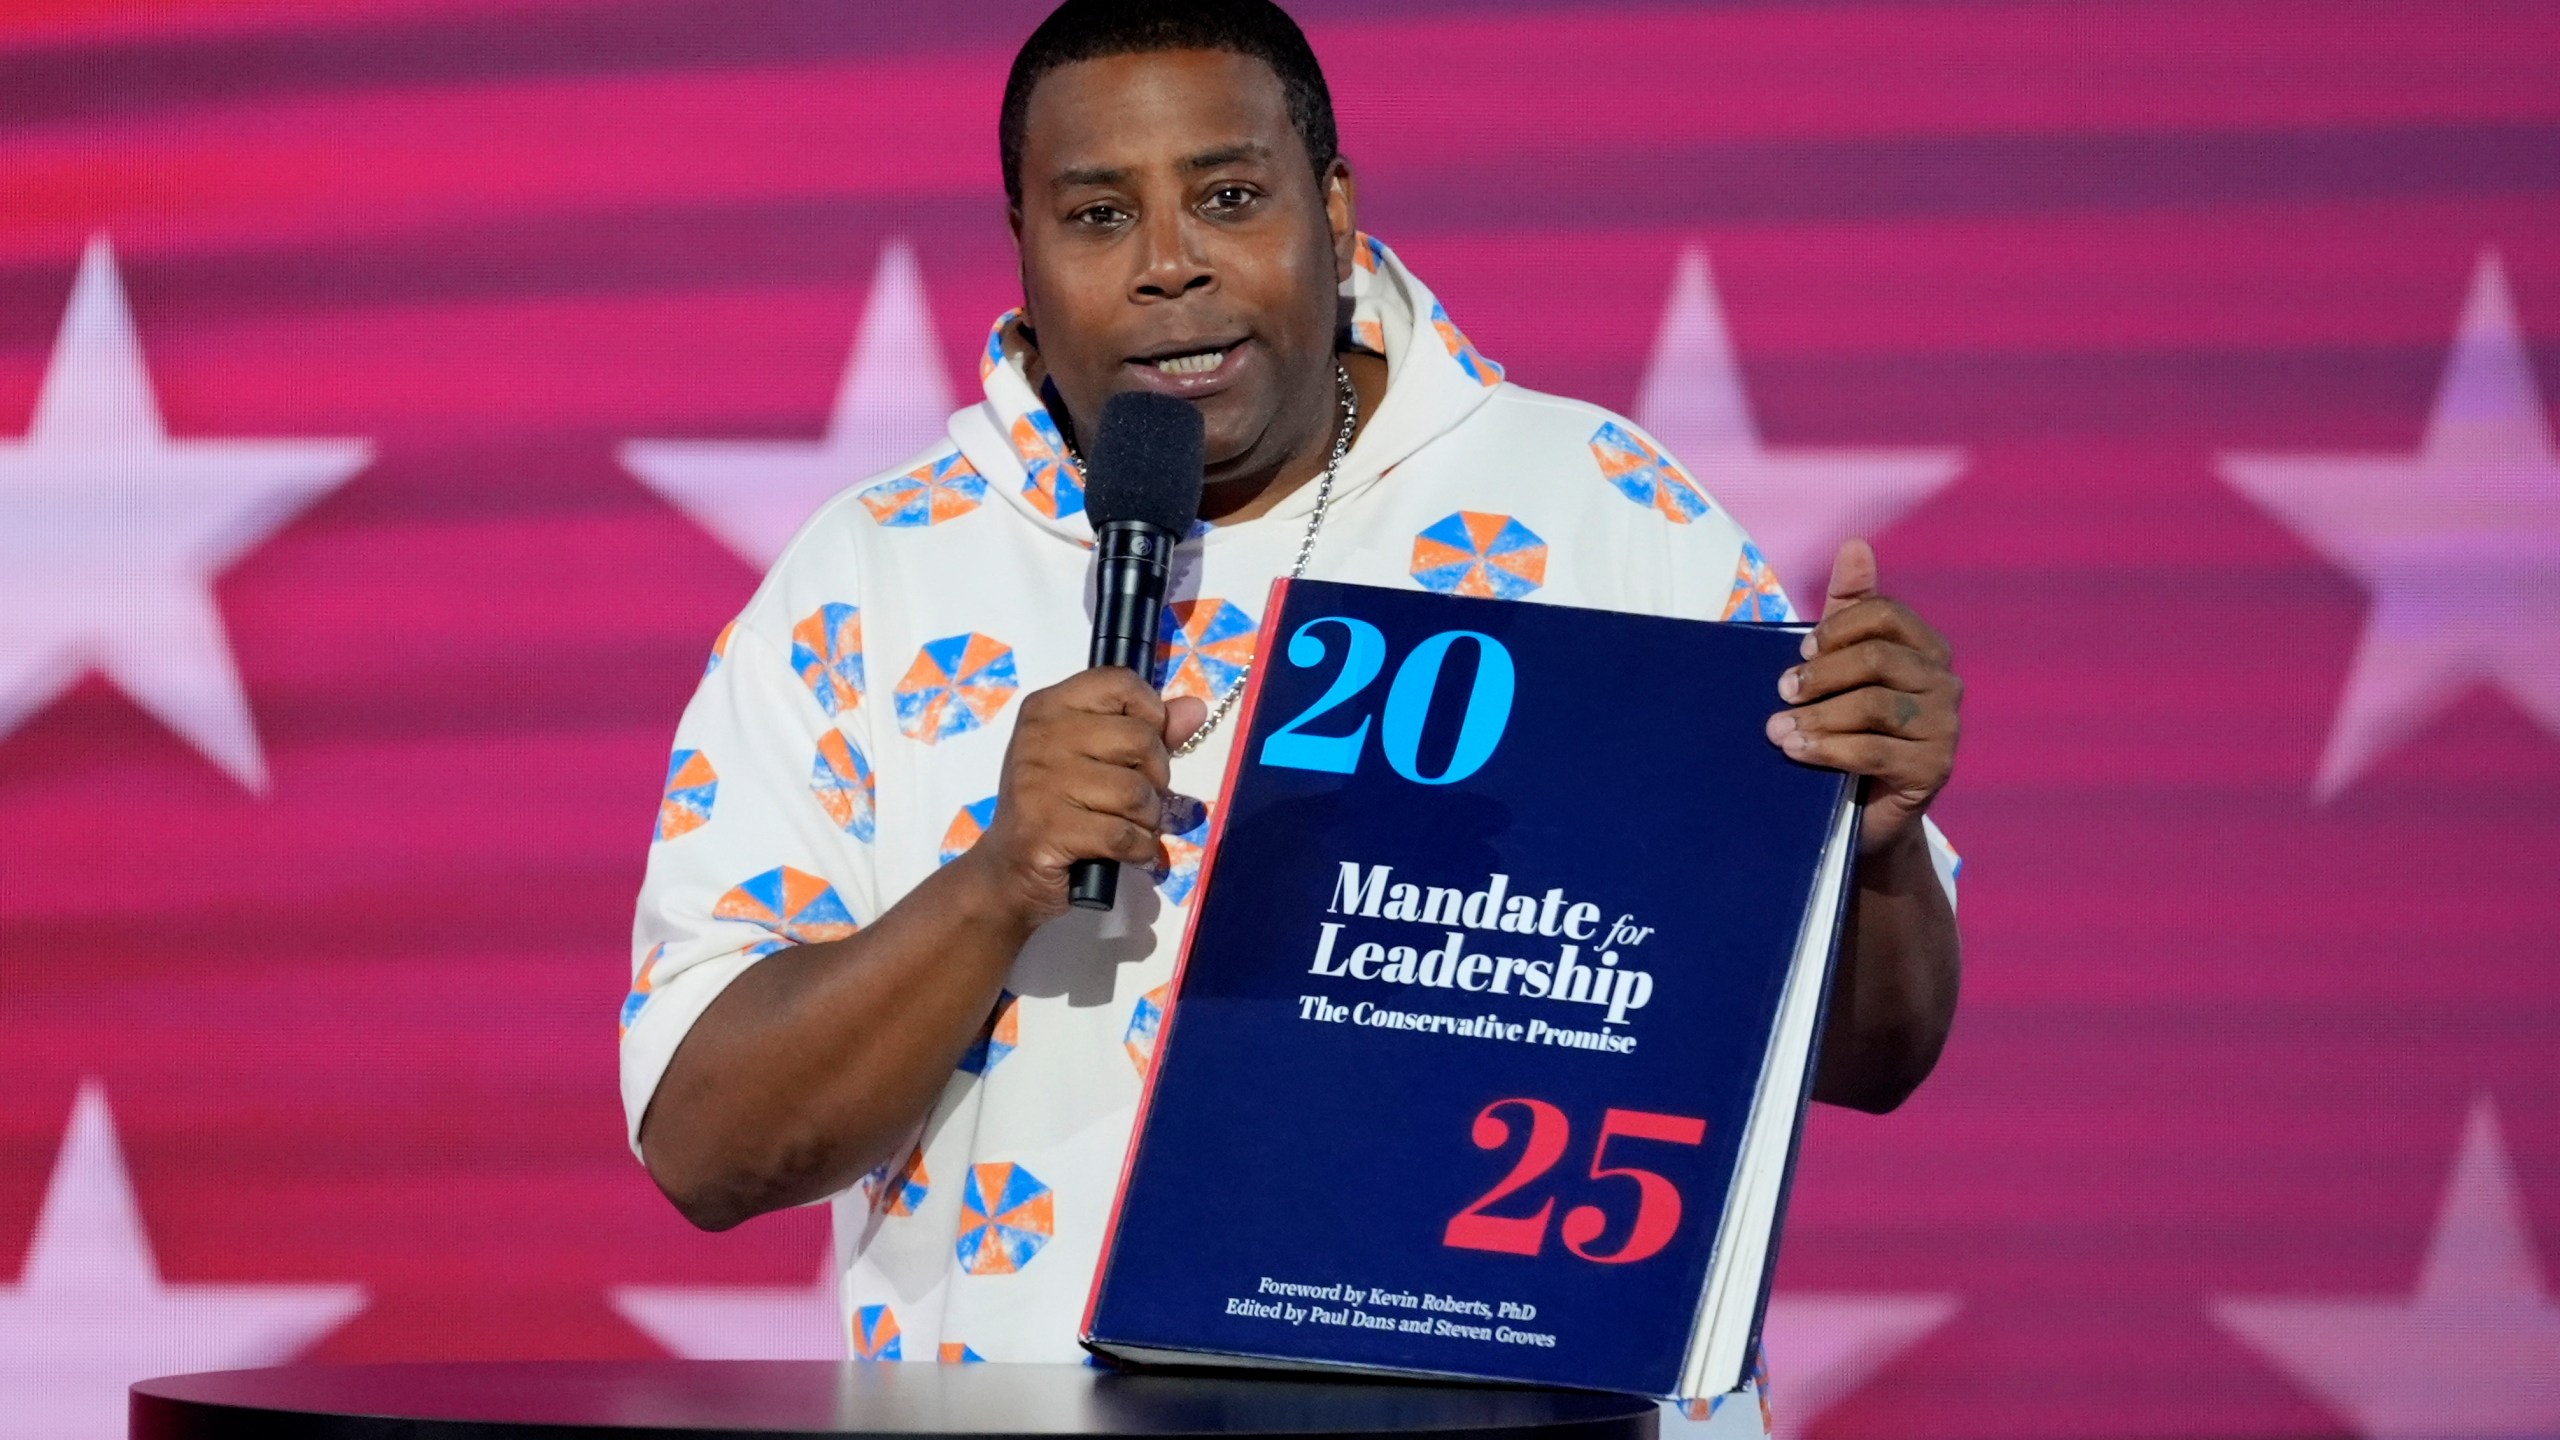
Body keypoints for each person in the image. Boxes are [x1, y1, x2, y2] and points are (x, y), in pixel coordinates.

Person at [619, 0, 1961, 1428]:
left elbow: (1874, 1060)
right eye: (1095, 215)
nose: (1169, 265)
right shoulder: (871, 581)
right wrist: (993, 887)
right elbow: (709, 1151)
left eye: (1230, 196)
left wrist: (1871, 843)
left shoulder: (1602, 513)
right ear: (1021, 248)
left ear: (1332, 209)